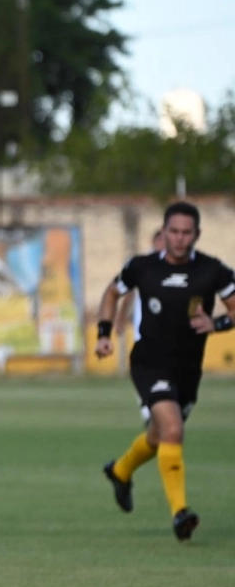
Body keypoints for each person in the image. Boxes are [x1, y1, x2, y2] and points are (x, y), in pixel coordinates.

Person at [96, 201, 235, 540]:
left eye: (187, 232)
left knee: (161, 437)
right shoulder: (142, 267)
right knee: (172, 429)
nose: (179, 238)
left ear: (197, 235)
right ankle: (180, 514)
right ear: (164, 232)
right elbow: (112, 293)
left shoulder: (213, 271)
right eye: (174, 231)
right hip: (149, 363)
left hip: (188, 370)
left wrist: (215, 323)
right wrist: (104, 333)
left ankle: (121, 470)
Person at [114, 229, 166, 339]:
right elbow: (129, 292)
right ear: (154, 241)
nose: (162, 244)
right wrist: (121, 317)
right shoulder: (142, 265)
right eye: (160, 240)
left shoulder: (178, 265)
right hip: (144, 326)